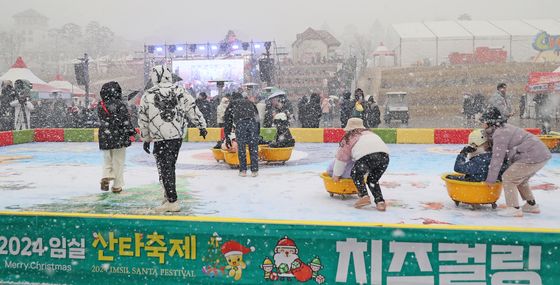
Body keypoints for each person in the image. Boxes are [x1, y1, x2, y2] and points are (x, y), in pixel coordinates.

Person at [139, 65, 208, 213]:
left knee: (164, 167)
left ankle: (172, 200)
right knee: (169, 166)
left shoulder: (148, 95)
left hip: (159, 137)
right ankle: (168, 196)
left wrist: (145, 138)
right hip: (176, 136)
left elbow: (143, 119)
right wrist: (201, 125)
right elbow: (192, 108)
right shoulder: (180, 91)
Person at [480, 107, 551, 217]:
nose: (482, 124)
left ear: (490, 122)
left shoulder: (500, 133)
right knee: (520, 179)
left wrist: (491, 179)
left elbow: (497, 158)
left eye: (483, 121)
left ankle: (513, 208)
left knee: (509, 178)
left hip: (531, 156)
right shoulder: (504, 128)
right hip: (540, 154)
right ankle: (531, 205)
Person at [332, 118, 390, 211]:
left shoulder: (349, 138)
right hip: (384, 157)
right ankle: (380, 202)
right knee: (373, 179)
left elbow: (341, 159)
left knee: (355, 173)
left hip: (366, 157)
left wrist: (336, 175)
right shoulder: (371, 134)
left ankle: (364, 196)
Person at [97, 81, 136, 193]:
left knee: (107, 159)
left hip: (105, 135)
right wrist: (132, 132)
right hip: (118, 136)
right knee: (118, 161)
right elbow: (125, 121)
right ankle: (117, 186)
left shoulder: (101, 104)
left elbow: (103, 120)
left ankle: (106, 175)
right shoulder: (120, 105)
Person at [224, 92, 260, 177]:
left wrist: (227, 136)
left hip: (241, 124)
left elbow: (227, 121)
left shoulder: (232, 103)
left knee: (242, 148)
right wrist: (257, 131)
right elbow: (257, 118)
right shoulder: (250, 102)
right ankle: (254, 170)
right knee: (253, 147)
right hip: (252, 123)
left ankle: (243, 170)